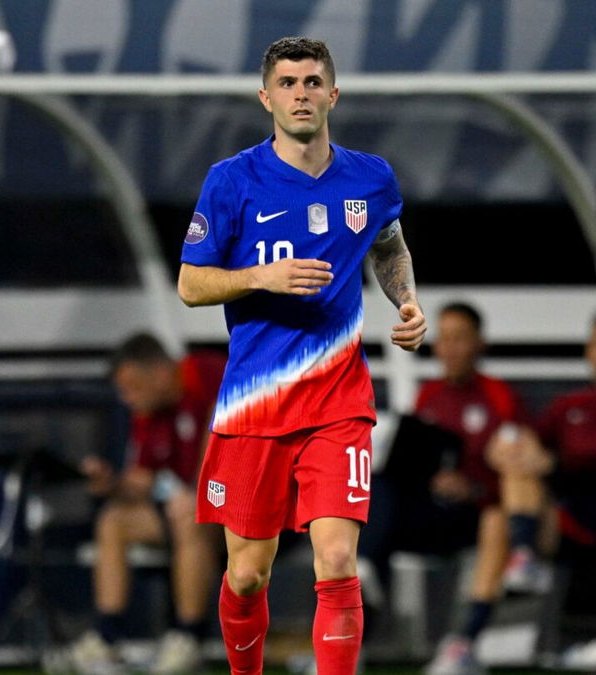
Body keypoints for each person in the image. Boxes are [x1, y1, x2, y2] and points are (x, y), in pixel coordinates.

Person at [176, 37, 426, 675]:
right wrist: (263, 278)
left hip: (339, 399)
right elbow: (191, 284)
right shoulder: (231, 180)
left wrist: (407, 301)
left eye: (313, 82)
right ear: (266, 98)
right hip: (254, 404)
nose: (300, 94)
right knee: (247, 576)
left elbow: (389, 246)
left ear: (333, 94)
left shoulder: (370, 177)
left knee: (338, 560)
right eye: (286, 83)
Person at [362, 302, 527, 675]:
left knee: (378, 531)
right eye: (444, 338)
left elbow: (518, 478)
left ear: (479, 344)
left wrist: (471, 487)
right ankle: (348, 650)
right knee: (379, 489)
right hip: (433, 511)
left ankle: (461, 646)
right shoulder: (430, 396)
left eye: (460, 338)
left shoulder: (500, 398)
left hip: (476, 515)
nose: (450, 348)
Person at [487, 310, 596, 656]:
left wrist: (555, 465)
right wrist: (507, 449)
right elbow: (531, 442)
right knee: (514, 467)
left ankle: (484, 629)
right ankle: (522, 561)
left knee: (502, 511)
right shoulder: (570, 404)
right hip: (564, 516)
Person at [58, 333, 225, 675]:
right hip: (186, 516)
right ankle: (105, 639)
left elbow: (225, 427)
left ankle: (188, 638)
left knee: (190, 512)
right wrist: (113, 483)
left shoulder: (204, 372)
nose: (126, 398)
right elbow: (143, 478)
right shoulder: (150, 413)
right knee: (114, 521)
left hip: (251, 512)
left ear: (162, 372)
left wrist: (200, 492)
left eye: (132, 387)